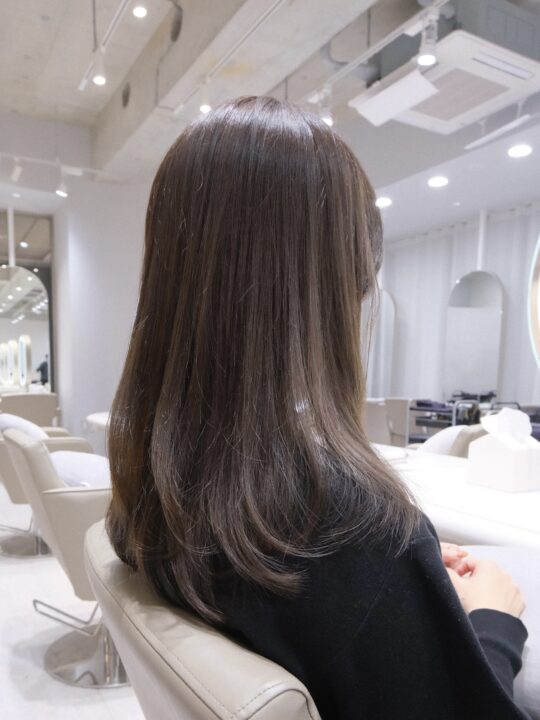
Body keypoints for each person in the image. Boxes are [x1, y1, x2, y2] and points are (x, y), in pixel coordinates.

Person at [107, 97, 530, 719]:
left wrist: (402, 584)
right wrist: (494, 619)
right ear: (334, 287)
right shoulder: (351, 533)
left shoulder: (155, 489)